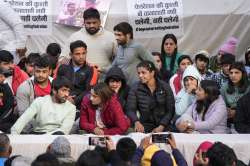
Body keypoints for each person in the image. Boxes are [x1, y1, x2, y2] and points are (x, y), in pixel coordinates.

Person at [11, 77, 76, 135]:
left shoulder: (71, 108)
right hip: (37, 135)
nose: (67, 94)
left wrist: (45, 136)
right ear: (54, 90)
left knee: (60, 134)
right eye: (64, 90)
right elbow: (24, 119)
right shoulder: (40, 101)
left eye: (68, 91)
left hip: (57, 137)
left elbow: (64, 130)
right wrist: (14, 134)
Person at [60, 8, 116, 74]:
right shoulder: (75, 37)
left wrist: (104, 70)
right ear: (84, 22)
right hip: (81, 80)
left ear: (100, 22)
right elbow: (62, 59)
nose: (91, 25)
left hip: (104, 80)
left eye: (94, 23)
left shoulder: (111, 37)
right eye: (88, 23)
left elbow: (119, 60)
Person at [126, 61, 175, 133]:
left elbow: (170, 110)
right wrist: (136, 122)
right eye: (139, 73)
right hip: (145, 125)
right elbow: (130, 109)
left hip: (164, 125)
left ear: (152, 73)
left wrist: (162, 126)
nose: (140, 75)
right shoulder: (135, 88)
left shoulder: (165, 87)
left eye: (143, 73)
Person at [112, 22, 156, 86]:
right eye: (115, 35)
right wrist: (101, 69)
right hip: (124, 88)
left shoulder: (137, 47)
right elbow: (113, 67)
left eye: (119, 35)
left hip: (138, 88)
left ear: (128, 35)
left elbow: (153, 64)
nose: (116, 38)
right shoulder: (119, 48)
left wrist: (150, 83)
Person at [57, 40, 98, 109]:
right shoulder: (63, 68)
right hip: (61, 102)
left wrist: (74, 101)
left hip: (80, 105)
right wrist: (64, 97)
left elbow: (89, 90)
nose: (81, 56)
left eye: (83, 53)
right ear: (71, 54)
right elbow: (56, 85)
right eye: (77, 54)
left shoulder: (90, 70)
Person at [220, 62, 250, 129]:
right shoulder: (224, 87)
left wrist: (237, 112)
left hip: (247, 120)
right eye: (231, 73)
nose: (233, 75)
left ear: (243, 74)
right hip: (230, 120)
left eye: (237, 72)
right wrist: (226, 110)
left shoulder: (249, 87)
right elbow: (221, 105)